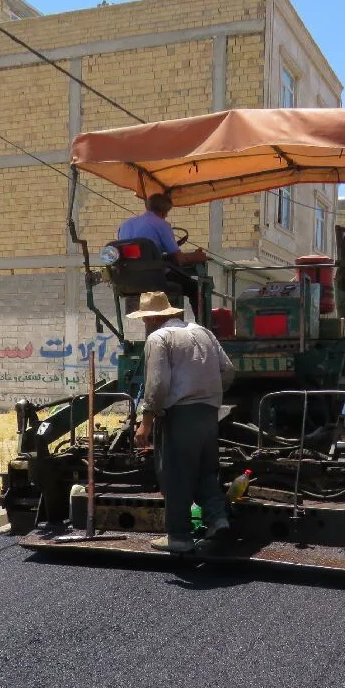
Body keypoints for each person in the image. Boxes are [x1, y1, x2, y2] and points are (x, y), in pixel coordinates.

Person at [128, 291, 235, 553]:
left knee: (176, 475)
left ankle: (179, 537)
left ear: (152, 318)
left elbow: (157, 384)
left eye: (144, 319)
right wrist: (210, 394)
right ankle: (217, 519)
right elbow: (228, 369)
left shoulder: (158, 338)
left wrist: (146, 422)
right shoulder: (202, 332)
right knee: (206, 471)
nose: (144, 324)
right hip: (209, 413)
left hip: (179, 415)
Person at [118, 193, 208, 320]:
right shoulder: (161, 224)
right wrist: (197, 256)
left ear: (148, 207)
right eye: (166, 213)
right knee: (195, 287)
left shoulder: (125, 225)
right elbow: (179, 259)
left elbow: (138, 255)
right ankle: (205, 327)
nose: (166, 216)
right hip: (154, 281)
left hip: (128, 281)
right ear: (164, 211)